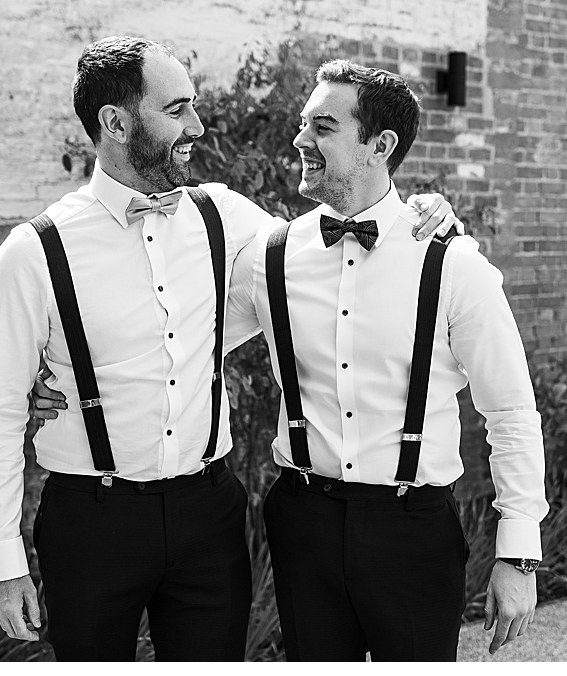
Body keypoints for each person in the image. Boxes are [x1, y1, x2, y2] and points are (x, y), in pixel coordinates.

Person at [0, 36, 460, 660]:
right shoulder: (35, 251)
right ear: (114, 123)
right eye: (176, 110)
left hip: (209, 513)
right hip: (92, 518)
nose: (196, 126)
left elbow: (328, 257)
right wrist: (3, 561)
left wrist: (425, 212)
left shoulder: (224, 215)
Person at [222, 60, 545, 661]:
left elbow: (511, 412)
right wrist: (48, 374)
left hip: (414, 529)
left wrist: (517, 553)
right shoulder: (269, 258)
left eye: (322, 127)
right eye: (303, 124)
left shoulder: (454, 265)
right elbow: (180, 346)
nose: (300, 140)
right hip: (303, 523)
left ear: (381, 144)